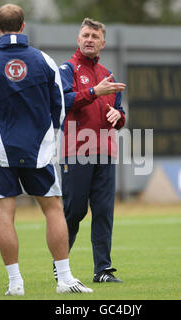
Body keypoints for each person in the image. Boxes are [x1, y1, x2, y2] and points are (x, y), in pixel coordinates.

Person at [0, 4, 92, 295]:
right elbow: (59, 107)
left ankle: (15, 283)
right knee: (54, 210)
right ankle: (65, 279)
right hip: (39, 150)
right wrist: (47, 137)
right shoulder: (44, 61)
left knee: (5, 214)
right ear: (23, 26)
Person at [58, 18, 126, 283]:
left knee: (103, 212)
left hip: (106, 152)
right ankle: (60, 265)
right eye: (85, 35)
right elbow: (62, 102)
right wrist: (93, 92)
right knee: (74, 211)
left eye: (94, 36)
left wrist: (117, 117)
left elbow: (119, 114)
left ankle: (103, 270)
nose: (89, 39)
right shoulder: (68, 69)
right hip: (76, 150)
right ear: (78, 39)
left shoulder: (108, 75)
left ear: (102, 43)